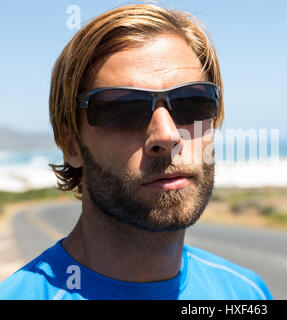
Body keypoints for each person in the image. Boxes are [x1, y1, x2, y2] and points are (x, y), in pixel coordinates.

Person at [0, 3, 272, 300]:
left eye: (192, 102)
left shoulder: (245, 293)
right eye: (123, 109)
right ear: (72, 144)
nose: (168, 136)